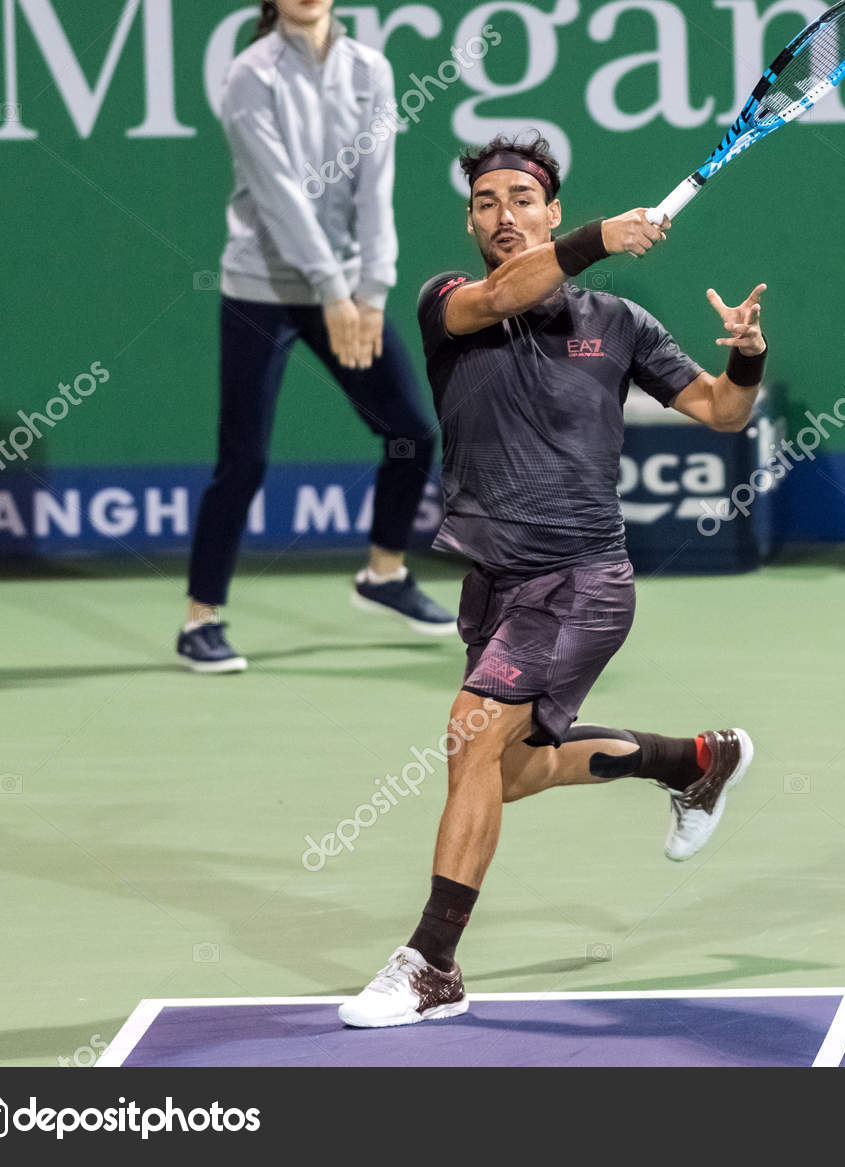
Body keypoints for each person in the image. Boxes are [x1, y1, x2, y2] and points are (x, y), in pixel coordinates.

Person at [339, 133, 767, 1027]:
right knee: (509, 772)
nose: (504, 215)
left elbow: (722, 412)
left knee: (468, 735)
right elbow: (504, 294)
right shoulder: (448, 303)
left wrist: (746, 357)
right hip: (495, 584)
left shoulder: (619, 324)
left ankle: (431, 964)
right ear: (470, 223)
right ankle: (695, 761)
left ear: (550, 210)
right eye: (486, 202)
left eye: (522, 200)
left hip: (581, 580)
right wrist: (600, 237)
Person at [178, 0, 454, 674]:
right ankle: (199, 621)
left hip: (350, 292)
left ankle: (383, 575)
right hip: (262, 291)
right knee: (243, 461)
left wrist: (371, 292)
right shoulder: (250, 75)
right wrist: (333, 291)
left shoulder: (371, 70)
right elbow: (278, 196)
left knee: (411, 433)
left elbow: (375, 186)